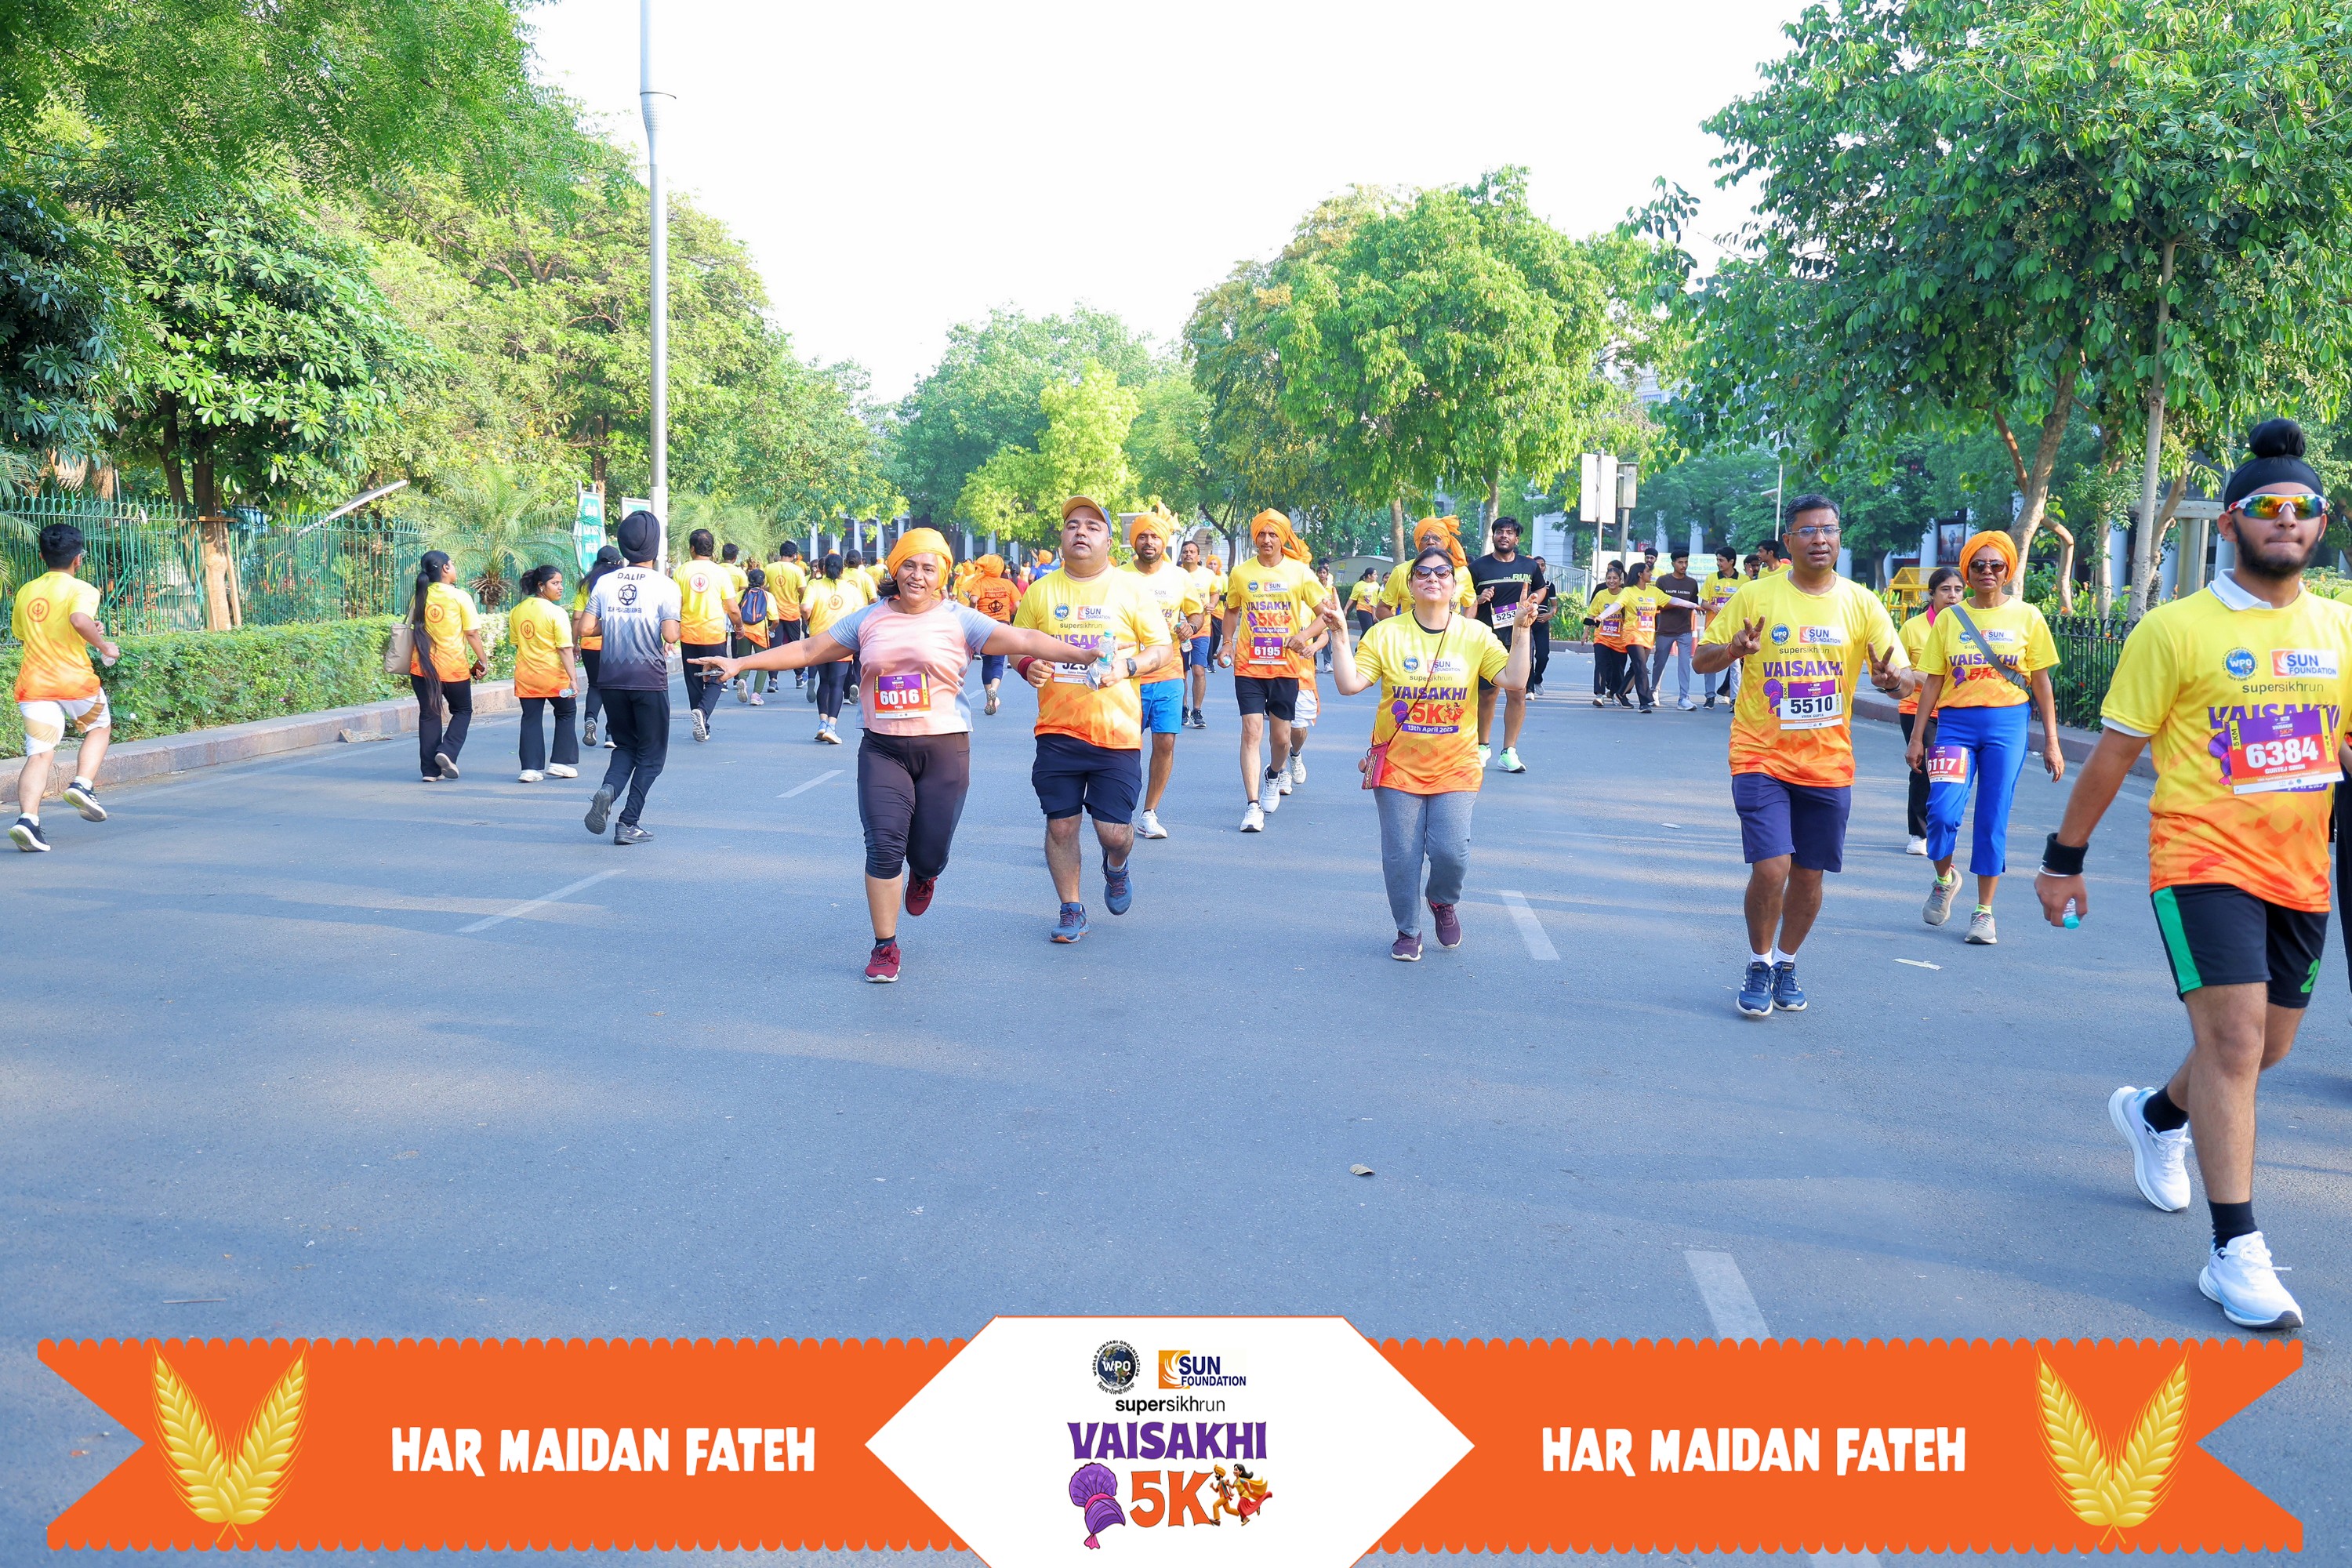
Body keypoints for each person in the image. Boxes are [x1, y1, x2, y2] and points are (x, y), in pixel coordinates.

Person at [2039, 421, 2349, 1331]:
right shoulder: (2175, 629)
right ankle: (2234, 1250)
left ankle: (2157, 1117)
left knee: (2264, 1048)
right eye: (2267, 506)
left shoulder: (2339, 628)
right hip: (2200, 858)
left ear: (2321, 523)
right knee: (2236, 1043)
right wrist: (2064, 859)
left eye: (2302, 507)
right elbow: (2114, 754)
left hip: (2301, 867)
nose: (2285, 519)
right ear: (2230, 521)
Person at [692, 528, 1097, 981]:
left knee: (929, 852)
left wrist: (1081, 655)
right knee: (884, 847)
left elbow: (1025, 639)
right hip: (883, 750)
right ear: (895, 568)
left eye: (928, 568)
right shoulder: (868, 620)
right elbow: (808, 648)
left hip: (945, 750)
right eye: (909, 565)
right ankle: (885, 946)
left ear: (943, 576)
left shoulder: (961, 620)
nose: (917, 576)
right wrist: (740, 662)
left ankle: (925, 873)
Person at [1693, 495, 1916, 1018]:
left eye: (1829, 530)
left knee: (1809, 875)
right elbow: (1703, 659)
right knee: (1773, 869)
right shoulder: (1754, 595)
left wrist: (1891, 681)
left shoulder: (1862, 602)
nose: (1820, 539)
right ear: (1788, 542)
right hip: (1760, 755)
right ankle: (1758, 961)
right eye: (1809, 530)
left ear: (1839, 538)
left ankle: (1786, 962)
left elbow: (1905, 677)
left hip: (1828, 763)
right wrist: (1733, 651)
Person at [1323, 546, 1543, 959]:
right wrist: (1338, 634)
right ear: (1410, 584)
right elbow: (1349, 684)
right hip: (1397, 766)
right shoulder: (1385, 634)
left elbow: (1514, 680)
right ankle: (1408, 930)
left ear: (1455, 585)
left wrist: (1521, 631)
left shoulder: (1475, 635)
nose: (1433, 579)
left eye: (1442, 573)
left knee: (1451, 852)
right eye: (1423, 573)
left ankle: (1442, 900)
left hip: (1456, 764)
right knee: (1401, 857)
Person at [1013, 496, 1174, 939]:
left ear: (1108, 541)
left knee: (1114, 833)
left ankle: (1117, 866)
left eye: (1092, 526)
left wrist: (1129, 666)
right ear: (1062, 538)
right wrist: (1028, 666)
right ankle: (1071, 908)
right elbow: (1017, 643)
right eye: (1072, 525)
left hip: (1115, 732)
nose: (1080, 532)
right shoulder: (1041, 591)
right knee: (1061, 825)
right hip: (1057, 729)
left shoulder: (1131, 589)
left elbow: (1163, 649)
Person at [1907, 534, 2063, 942]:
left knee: (1993, 817)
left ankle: (1984, 912)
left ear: (2008, 570)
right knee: (1941, 812)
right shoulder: (1950, 619)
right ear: (1967, 571)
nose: (1988, 572)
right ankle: (1945, 880)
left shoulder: (2028, 617)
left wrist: (2052, 741)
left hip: (2007, 725)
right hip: (1955, 725)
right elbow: (1932, 682)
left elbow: (2042, 683)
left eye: (1996, 565)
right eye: (1978, 565)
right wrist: (1917, 737)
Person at [9, 522, 118, 851]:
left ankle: (28, 821)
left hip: (34, 684)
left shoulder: (26, 591)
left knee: (40, 754)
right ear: (78, 558)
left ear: (43, 556)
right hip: (75, 682)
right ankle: (82, 785)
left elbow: (27, 634)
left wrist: (87, 630)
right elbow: (77, 620)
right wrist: (104, 645)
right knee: (99, 727)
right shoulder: (82, 589)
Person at [579, 510, 681, 845]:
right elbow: (670, 635)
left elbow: (586, 628)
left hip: (611, 678)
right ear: (655, 545)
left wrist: (615, 620)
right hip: (648, 679)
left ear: (623, 544)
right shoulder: (665, 585)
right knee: (651, 756)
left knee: (625, 745)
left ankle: (609, 788)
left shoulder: (606, 582)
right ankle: (628, 822)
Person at [1219, 509, 1326, 831]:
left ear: (1282, 538)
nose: (1267, 540)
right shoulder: (1241, 573)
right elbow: (1231, 610)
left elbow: (1326, 615)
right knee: (1251, 732)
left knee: (1281, 739)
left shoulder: (1300, 572)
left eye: (1273, 534)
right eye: (1262, 534)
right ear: (1255, 538)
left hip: (1286, 667)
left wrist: (1304, 636)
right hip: (1249, 666)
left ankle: (1274, 773)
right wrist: (1227, 643)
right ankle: (1252, 806)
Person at [1124, 512, 1207, 840]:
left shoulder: (1179, 577)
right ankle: (1119, 808)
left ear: (1164, 542)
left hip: (1169, 672)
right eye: (1143, 536)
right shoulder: (1118, 577)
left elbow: (1196, 613)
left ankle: (1149, 812)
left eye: (1155, 537)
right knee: (1125, 747)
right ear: (1135, 541)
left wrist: (1191, 626)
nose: (1149, 542)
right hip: (1127, 676)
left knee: (1166, 741)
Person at [1468, 516, 1548, 771]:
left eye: (1509, 532)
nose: (1504, 535)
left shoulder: (1529, 566)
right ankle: (1483, 747)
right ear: (1493, 536)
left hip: (1520, 637)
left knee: (1518, 693)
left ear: (1517, 539)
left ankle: (1509, 752)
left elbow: (1541, 589)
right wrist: (1479, 598)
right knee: (1487, 694)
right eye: (1500, 531)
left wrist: (1534, 599)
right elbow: (1466, 601)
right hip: (1487, 637)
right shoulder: (1477, 567)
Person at [1896, 567, 1964, 854]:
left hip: (1957, 710)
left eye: (1958, 590)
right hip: (1917, 709)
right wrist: (1922, 676)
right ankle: (1919, 834)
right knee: (1924, 769)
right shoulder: (1913, 628)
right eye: (1945, 590)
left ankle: (1944, 827)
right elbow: (1898, 668)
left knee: (1950, 774)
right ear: (1932, 594)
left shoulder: (1969, 626)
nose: (1952, 596)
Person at [407, 549, 486, 782]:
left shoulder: (420, 595)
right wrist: (483, 660)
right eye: (452, 564)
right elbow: (471, 633)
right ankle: (447, 752)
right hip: (452, 668)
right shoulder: (460, 597)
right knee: (462, 711)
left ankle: (430, 772)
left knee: (429, 714)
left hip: (421, 667)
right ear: (445, 568)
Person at [510, 564, 581, 782]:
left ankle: (529, 769)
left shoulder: (518, 610)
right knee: (566, 712)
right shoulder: (556, 612)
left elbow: (517, 643)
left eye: (561, 583)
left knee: (530, 719)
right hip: (554, 678)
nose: (560, 587)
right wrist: (573, 679)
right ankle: (560, 762)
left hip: (527, 676)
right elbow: (564, 648)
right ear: (541, 586)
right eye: (555, 583)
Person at [673, 529, 740, 743]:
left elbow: (674, 606)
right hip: (714, 635)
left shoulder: (681, 572)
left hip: (689, 635)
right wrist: (739, 627)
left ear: (692, 548)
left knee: (693, 682)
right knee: (718, 677)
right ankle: (702, 713)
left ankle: (702, 721)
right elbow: (733, 608)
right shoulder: (720, 573)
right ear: (712, 549)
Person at [800, 554, 867, 743]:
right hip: (842, 641)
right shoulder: (851, 590)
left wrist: (809, 621)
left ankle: (822, 724)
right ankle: (831, 726)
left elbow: (805, 608)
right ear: (842, 570)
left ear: (823, 568)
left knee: (824, 682)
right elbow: (860, 615)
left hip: (818, 640)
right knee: (837, 684)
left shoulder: (814, 585)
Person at [1377, 517, 1475, 620]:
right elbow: (1382, 609)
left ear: (1446, 541)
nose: (1431, 542)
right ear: (1417, 542)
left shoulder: (1462, 572)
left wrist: (1464, 627)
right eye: (1424, 538)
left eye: (1436, 538)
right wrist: (1401, 628)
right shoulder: (1402, 571)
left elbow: (1472, 603)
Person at [575, 544, 622, 749]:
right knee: (615, 688)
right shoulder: (619, 582)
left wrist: (574, 643)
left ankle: (591, 718)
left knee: (595, 685)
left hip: (589, 645)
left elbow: (577, 618)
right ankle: (611, 735)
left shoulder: (586, 585)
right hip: (615, 644)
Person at [964, 554, 1022, 716]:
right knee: (998, 662)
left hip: (983, 625)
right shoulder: (1007, 584)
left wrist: (973, 610)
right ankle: (994, 690)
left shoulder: (980, 583)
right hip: (1002, 626)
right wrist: (1009, 613)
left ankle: (989, 696)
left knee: (987, 662)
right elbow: (1018, 605)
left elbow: (974, 599)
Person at [1653, 548, 1704, 710]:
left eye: (1686, 562)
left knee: (1684, 665)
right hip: (1665, 630)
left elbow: (1693, 605)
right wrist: (1678, 604)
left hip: (1684, 630)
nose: (1684, 565)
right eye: (1680, 562)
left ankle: (1684, 697)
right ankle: (1653, 691)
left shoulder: (1692, 583)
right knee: (1659, 663)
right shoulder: (1663, 581)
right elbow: (1658, 605)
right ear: (1673, 563)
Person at [1613, 560, 1663, 713]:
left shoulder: (1654, 591)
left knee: (1637, 666)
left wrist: (1693, 605)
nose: (1651, 574)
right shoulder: (1628, 591)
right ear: (1640, 574)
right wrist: (1600, 617)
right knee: (1641, 666)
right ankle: (1645, 701)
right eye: (1648, 571)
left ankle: (1620, 693)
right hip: (1632, 634)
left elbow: (1671, 600)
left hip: (1647, 635)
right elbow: (1616, 606)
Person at [1181, 538, 1222, 728]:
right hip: (1179, 632)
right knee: (1181, 673)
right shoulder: (1175, 574)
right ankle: (1183, 708)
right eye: (1185, 551)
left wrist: (1212, 604)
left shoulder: (1207, 575)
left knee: (1199, 670)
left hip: (1202, 630)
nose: (1188, 554)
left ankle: (1197, 710)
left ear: (1198, 556)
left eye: (1192, 551)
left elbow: (1215, 592)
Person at [1697, 548, 1743, 709]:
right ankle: (1709, 696)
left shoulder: (1744, 580)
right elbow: (1703, 603)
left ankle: (1734, 699)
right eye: (1717, 560)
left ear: (1731, 562)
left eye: (1721, 560)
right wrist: (1713, 607)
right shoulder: (1711, 578)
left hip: (1734, 630)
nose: (1718, 563)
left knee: (1735, 666)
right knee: (1710, 663)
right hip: (1713, 630)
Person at [1584, 561, 1628, 707]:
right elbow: (1592, 615)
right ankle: (1600, 694)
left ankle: (1615, 693)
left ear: (1620, 580)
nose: (1611, 581)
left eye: (1615, 578)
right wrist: (1586, 632)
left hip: (1620, 639)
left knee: (1618, 668)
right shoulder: (1600, 595)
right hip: (1602, 637)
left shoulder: (1626, 595)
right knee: (1601, 664)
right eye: (1609, 578)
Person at [769, 543, 809, 687]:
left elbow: (764, 587)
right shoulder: (797, 570)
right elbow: (803, 592)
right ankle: (799, 677)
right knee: (795, 646)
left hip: (773, 614)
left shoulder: (769, 568)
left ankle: (773, 681)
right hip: (792, 614)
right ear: (794, 555)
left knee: (774, 648)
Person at [735, 567, 774, 704]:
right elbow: (775, 619)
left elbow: (733, 611)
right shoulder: (768, 596)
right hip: (760, 634)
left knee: (744, 660)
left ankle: (742, 680)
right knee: (764, 664)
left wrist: (738, 627)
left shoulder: (741, 594)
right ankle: (756, 695)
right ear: (763, 582)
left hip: (743, 632)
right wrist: (771, 629)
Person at [1527, 557, 1553, 695]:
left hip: (1542, 623)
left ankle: (1538, 679)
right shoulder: (1526, 585)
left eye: (1543, 565)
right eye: (1537, 565)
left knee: (1543, 656)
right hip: (1528, 623)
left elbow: (1554, 606)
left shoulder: (1549, 585)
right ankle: (1529, 688)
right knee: (1528, 656)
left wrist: (1550, 614)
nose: (1540, 567)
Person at [1348, 568, 1380, 636]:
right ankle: (1362, 643)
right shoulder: (1359, 585)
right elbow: (1352, 598)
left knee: (1372, 631)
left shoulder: (1376, 585)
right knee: (1368, 630)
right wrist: (1346, 609)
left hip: (1374, 610)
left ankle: (1361, 643)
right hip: (1363, 609)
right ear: (1369, 576)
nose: (1377, 576)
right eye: (1375, 574)